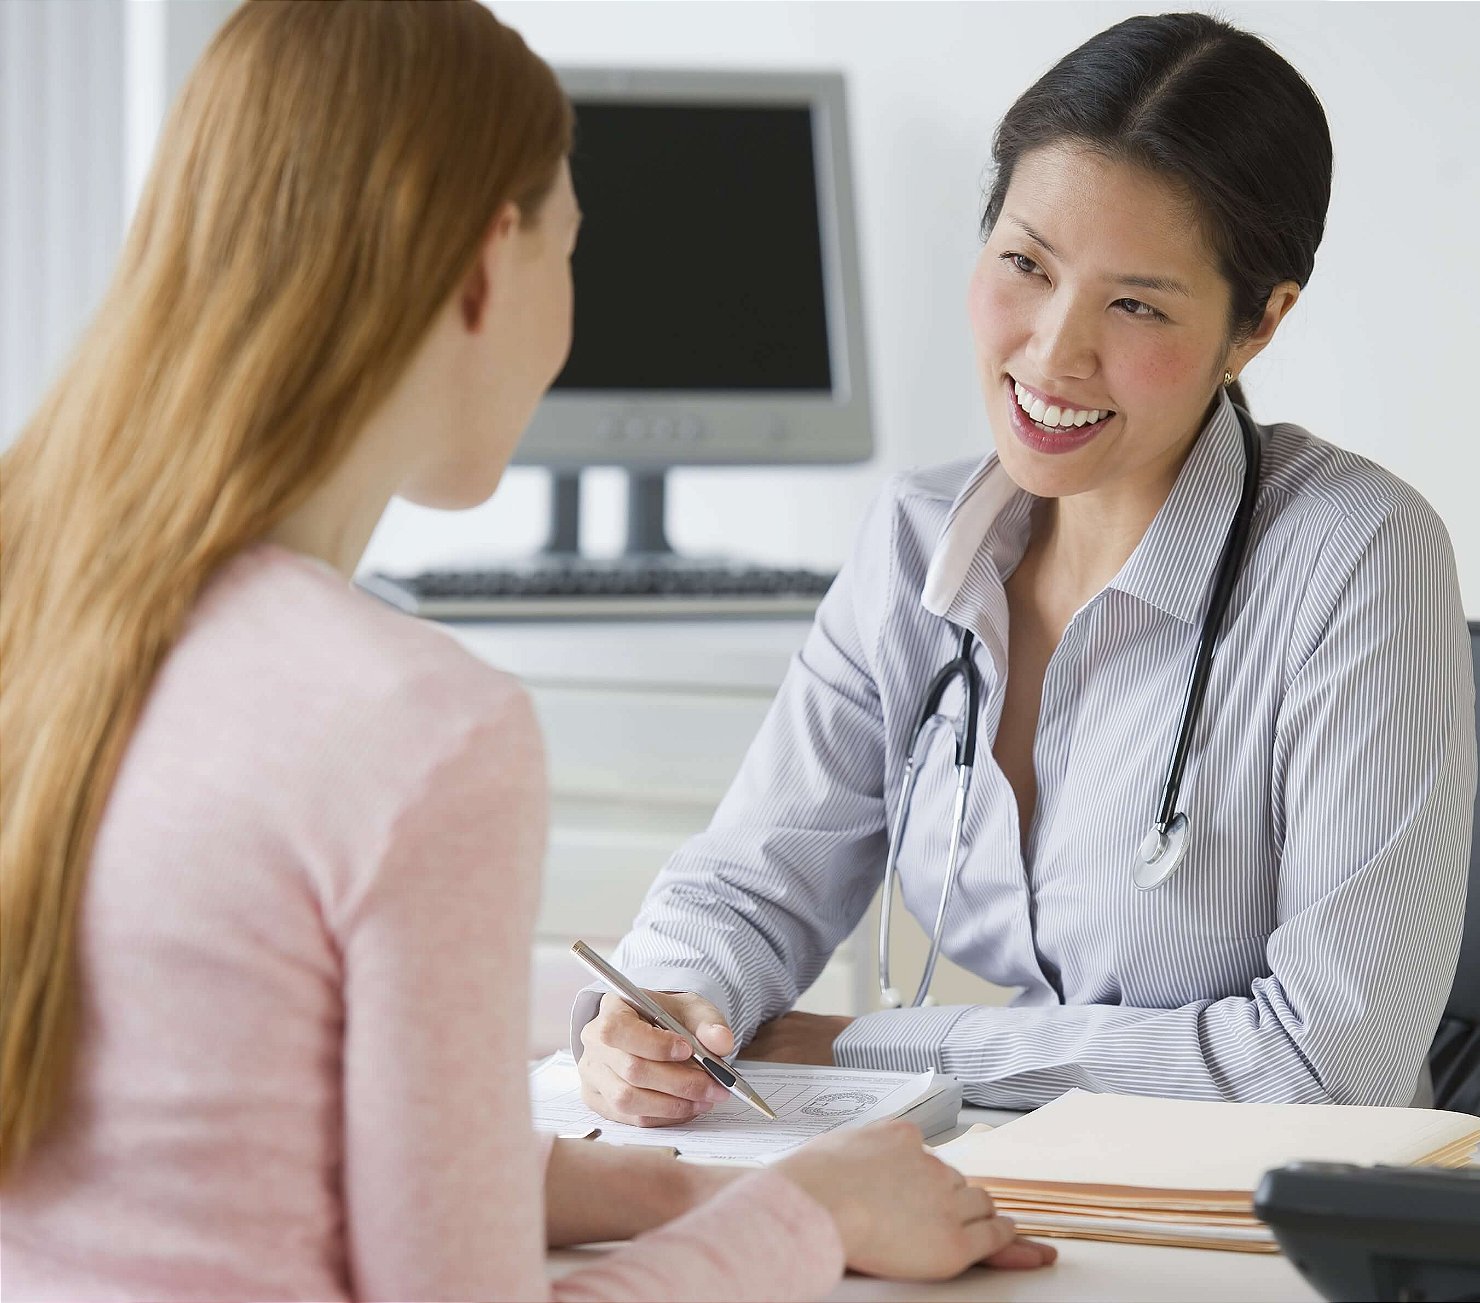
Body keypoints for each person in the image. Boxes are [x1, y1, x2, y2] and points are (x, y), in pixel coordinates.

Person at [0, 3, 1052, 1298]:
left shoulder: (37, 594)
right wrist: (806, 1213)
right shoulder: (414, 725)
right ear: (490, 263)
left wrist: (686, 1191)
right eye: (574, 243)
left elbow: (250, 1142)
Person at [576, 11, 1478, 1128]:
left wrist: (877, 1047)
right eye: (1024, 264)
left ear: (1257, 326)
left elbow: (1329, 1067)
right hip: (1007, 1179)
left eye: (1136, 303)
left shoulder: (1356, 559)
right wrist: (674, 998)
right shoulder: (916, 543)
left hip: (1266, 1220)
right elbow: (753, 878)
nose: (1053, 352)